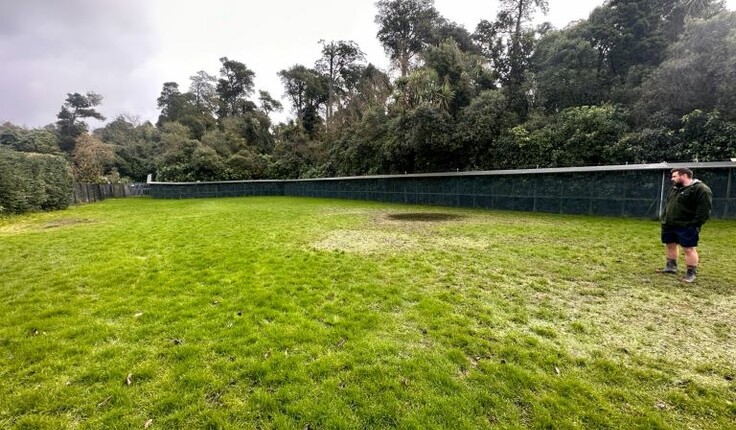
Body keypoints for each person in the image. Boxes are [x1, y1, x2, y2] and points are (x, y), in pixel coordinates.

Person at [658, 167, 713, 283]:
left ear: (684, 175)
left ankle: (691, 272)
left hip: (687, 225)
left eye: (674, 176)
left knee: (688, 249)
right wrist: (664, 217)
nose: (672, 179)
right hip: (669, 223)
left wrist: (694, 224)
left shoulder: (700, 189)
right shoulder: (675, 188)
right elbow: (669, 203)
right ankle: (671, 266)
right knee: (670, 244)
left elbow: (704, 210)